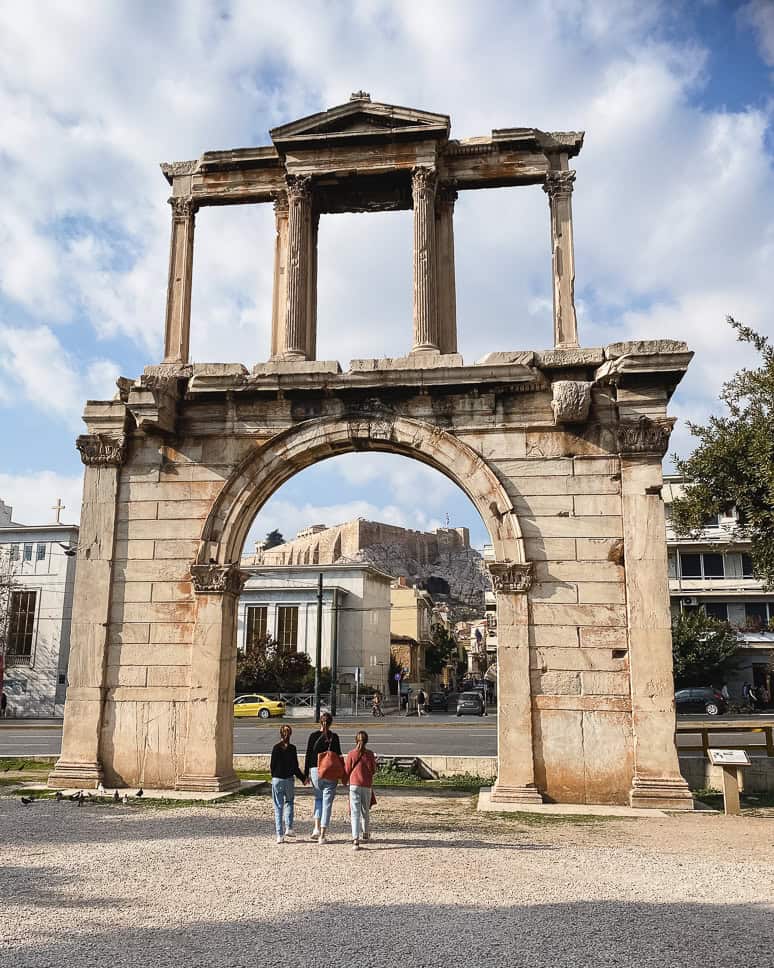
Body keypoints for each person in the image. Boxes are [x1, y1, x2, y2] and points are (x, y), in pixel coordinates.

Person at [304, 711, 342, 845]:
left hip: (315, 770)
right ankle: (323, 834)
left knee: (318, 798)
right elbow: (338, 756)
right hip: (330, 771)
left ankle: (315, 828)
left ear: (320, 722)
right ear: (331, 723)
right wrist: (342, 774)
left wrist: (305, 774)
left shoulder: (313, 736)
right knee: (327, 803)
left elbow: (308, 755)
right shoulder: (334, 737)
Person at [270, 724, 306, 844]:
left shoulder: (275, 748)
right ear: (290, 734)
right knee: (289, 802)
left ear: (280, 734)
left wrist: (274, 775)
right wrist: (303, 778)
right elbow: (295, 767)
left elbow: (272, 765)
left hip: (277, 779)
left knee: (278, 807)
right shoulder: (292, 748)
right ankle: (289, 827)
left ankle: (279, 835)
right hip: (289, 779)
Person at [345, 730, 377, 850]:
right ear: (367, 741)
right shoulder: (369, 754)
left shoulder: (351, 753)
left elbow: (347, 770)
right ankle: (365, 833)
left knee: (355, 812)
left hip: (354, 784)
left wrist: (345, 781)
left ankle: (355, 839)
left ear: (356, 740)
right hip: (367, 785)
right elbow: (373, 770)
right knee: (365, 811)